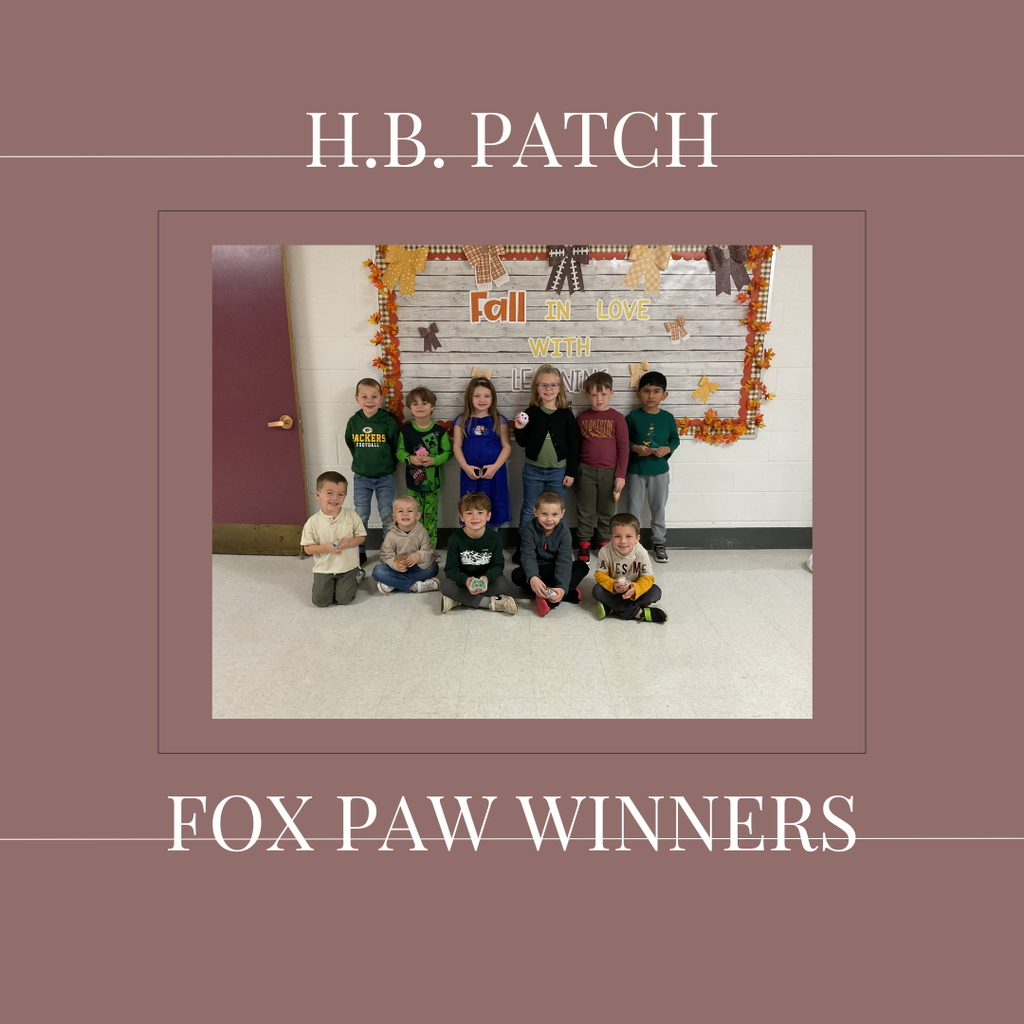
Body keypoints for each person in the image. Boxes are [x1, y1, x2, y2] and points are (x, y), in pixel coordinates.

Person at [512, 364, 578, 562]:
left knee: (557, 510)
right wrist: (518, 427)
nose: (548, 389)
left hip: (559, 471)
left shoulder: (566, 415)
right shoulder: (530, 413)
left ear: (560, 388)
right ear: (536, 388)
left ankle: (559, 547)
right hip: (533, 470)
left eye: (553, 385)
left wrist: (571, 471)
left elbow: (573, 445)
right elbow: (523, 442)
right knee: (529, 508)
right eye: (544, 385)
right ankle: (524, 547)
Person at [344, 377, 399, 576]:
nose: (369, 400)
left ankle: (387, 552)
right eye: (364, 396)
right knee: (361, 515)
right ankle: (359, 551)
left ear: (381, 398)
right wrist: (363, 463)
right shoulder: (354, 422)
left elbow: (394, 446)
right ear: (357, 398)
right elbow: (351, 444)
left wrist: (384, 463)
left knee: (387, 515)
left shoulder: (388, 422)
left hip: (385, 477)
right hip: (361, 477)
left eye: (374, 396)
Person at [624, 370, 679, 563]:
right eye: (646, 391)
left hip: (659, 472)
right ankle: (630, 542)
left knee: (658, 508)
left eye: (656, 391)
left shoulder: (668, 418)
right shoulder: (632, 417)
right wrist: (636, 448)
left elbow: (675, 439)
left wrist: (667, 449)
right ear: (639, 394)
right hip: (636, 471)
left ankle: (659, 542)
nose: (651, 395)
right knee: (633, 510)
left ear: (664, 395)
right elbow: (623, 442)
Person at [575, 370, 628, 563]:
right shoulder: (582, 418)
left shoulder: (617, 418)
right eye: (595, 394)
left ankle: (604, 542)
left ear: (611, 393)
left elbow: (623, 448)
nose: (599, 399)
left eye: (603, 394)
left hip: (609, 473)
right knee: (585, 510)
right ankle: (584, 544)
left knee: (606, 511)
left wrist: (620, 475)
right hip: (585, 471)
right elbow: (577, 445)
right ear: (587, 395)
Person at [511, 491, 589, 617]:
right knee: (517, 575)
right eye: (544, 514)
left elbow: (564, 560)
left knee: (582, 567)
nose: (549, 519)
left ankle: (552, 595)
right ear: (535, 512)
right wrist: (533, 577)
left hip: (555, 569)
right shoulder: (529, 529)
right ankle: (568, 593)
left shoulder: (564, 532)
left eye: (554, 514)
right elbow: (527, 555)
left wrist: (562, 586)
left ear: (562, 514)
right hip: (538, 570)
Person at [440, 492, 517, 615]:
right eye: (469, 513)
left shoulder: (495, 538)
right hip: (464, 580)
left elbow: (498, 566)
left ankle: (458, 600)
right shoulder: (455, 539)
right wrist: (465, 580)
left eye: (480, 512)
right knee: (445, 586)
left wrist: (486, 578)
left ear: (488, 516)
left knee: (503, 584)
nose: (475, 517)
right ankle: (489, 603)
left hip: (485, 579)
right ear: (462, 517)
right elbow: (450, 569)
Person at [396, 385, 453, 547]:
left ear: (432, 407)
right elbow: (399, 451)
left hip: (432, 484)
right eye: (415, 404)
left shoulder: (439, 431)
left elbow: (448, 453)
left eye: (424, 403)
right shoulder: (405, 431)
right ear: (410, 408)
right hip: (413, 485)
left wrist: (434, 460)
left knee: (430, 518)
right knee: (411, 517)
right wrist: (410, 459)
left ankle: (429, 550)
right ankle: (414, 548)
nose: (420, 407)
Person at [452, 376, 512, 529]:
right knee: (471, 509)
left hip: (494, 474)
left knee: (493, 507)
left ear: (493, 398)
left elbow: (507, 447)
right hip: (470, 474)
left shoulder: (499, 420)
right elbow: (457, 446)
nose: (482, 399)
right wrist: (466, 467)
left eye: (486, 396)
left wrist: (494, 467)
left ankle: (491, 544)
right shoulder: (462, 420)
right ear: (469, 398)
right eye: (477, 396)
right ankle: (472, 545)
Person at [300, 471, 366, 607]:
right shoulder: (312, 522)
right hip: (324, 568)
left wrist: (349, 542)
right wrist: (327, 547)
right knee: (320, 601)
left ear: (345, 496)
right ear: (318, 495)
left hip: (347, 567)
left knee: (344, 599)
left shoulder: (351, 515)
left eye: (340, 494)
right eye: (329, 493)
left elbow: (361, 537)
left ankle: (356, 575)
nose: (335, 498)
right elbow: (308, 549)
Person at [591, 512, 667, 623]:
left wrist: (636, 588)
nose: (623, 541)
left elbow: (648, 578)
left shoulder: (641, 553)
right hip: (614, 590)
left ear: (637, 538)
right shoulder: (605, 551)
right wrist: (613, 585)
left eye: (628, 536)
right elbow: (600, 575)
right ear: (611, 537)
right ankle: (639, 614)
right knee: (597, 590)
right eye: (617, 536)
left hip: (633, 590)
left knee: (655, 592)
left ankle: (612, 608)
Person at [371, 495, 440, 594]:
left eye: (410, 511)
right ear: (394, 517)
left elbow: (430, 552)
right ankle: (414, 586)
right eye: (400, 511)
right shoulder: (391, 535)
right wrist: (395, 564)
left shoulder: (422, 532)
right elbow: (385, 557)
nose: (405, 514)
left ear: (418, 516)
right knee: (378, 571)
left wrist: (418, 555)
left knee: (433, 567)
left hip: (417, 566)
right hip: (397, 568)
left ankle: (393, 583)